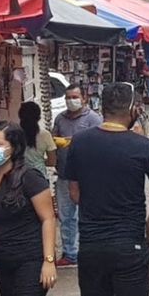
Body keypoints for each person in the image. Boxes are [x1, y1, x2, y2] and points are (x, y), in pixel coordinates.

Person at [65, 82, 149, 296]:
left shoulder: (79, 142)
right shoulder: (143, 146)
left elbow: (74, 193)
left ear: (101, 109)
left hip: (91, 245)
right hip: (130, 245)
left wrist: (98, 203)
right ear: (132, 109)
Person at [0, 122, 58, 296]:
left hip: (30, 260)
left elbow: (48, 219)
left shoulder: (30, 177)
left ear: (14, 148)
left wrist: (49, 260)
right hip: (3, 261)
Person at [51, 84, 102, 267]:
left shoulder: (93, 119)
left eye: (74, 97)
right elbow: (53, 139)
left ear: (84, 98)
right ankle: (69, 253)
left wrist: (77, 142)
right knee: (66, 216)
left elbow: (99, 144)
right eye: (68, 97)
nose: (71, 100)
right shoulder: (60, 118)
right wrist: (57, 141)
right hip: (64, 174)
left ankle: (87, 251)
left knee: (85, 216)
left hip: (86, 177)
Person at [19, 102, 57, 178]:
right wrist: (40, 162)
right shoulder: (45, 135)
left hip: (19, 177)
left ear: (20, 116)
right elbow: (52, 162)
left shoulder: (14, 134)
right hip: (40, 176)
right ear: (39, 118)